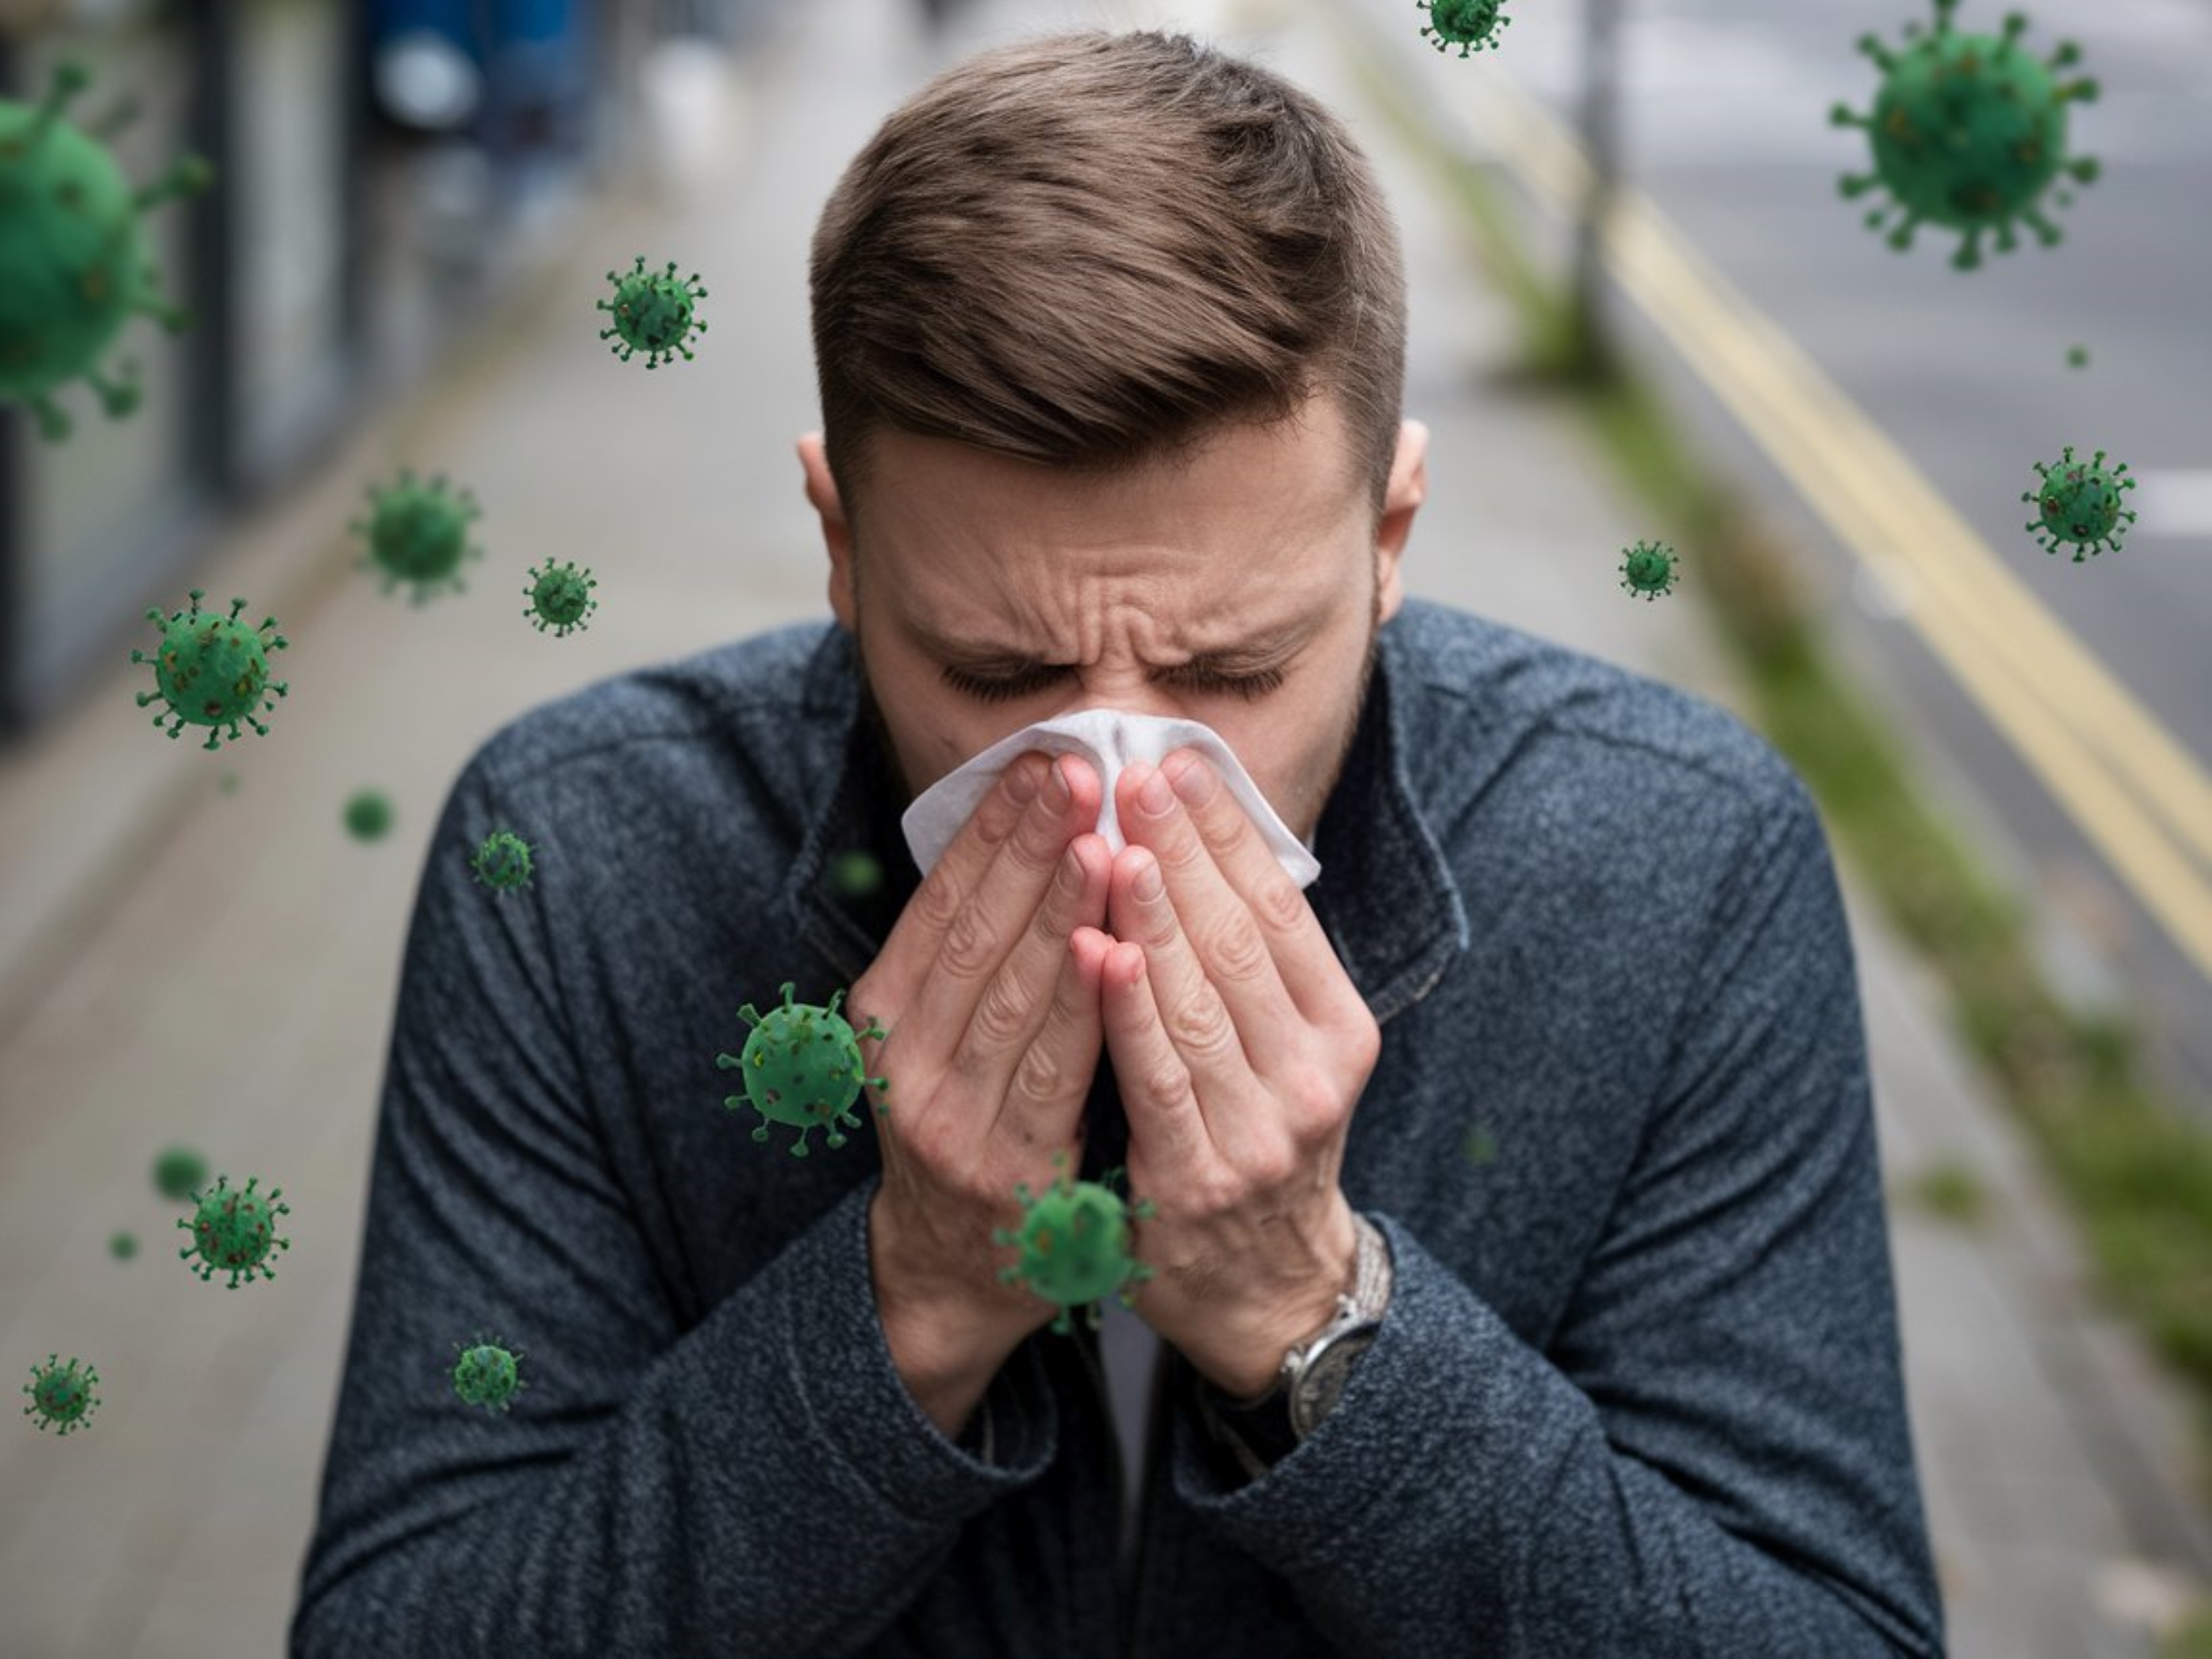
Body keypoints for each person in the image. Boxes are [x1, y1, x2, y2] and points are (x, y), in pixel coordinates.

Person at [293, 29, 1945, 1657]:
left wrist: (1306, 1309)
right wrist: (913, 1296)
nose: (1107, 787)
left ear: (1386, 537)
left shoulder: (1678, 858)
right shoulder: (576, 857)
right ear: (841, 548)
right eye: (996, 674)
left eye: (1234, 671)